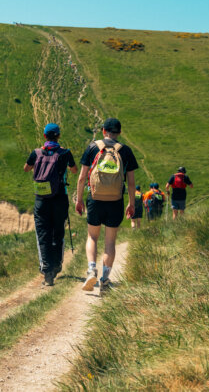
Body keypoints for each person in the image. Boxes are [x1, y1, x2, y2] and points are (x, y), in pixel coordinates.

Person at [74, 118, 138, 292]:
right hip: (116, 201)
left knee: (92, 237)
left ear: (104, 131)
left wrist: (79, 200)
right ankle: (105, 278)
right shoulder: (125, 151)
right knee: (110, 241)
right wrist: (131, 204)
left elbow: (82, 177)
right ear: (119, 132)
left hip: (95, 199)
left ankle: (91, 269)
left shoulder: (93, 147)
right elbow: (131, 183)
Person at [24, 123, 77, 286]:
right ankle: (56, 265)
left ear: (45, 136)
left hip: (41, 199)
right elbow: (74, 170)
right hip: (60, 198)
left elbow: (26, 168)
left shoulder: (36, 152)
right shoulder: (65, 153)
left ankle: (47, 272)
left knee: (43, 234)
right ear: (58, 136)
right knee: (58, 232)